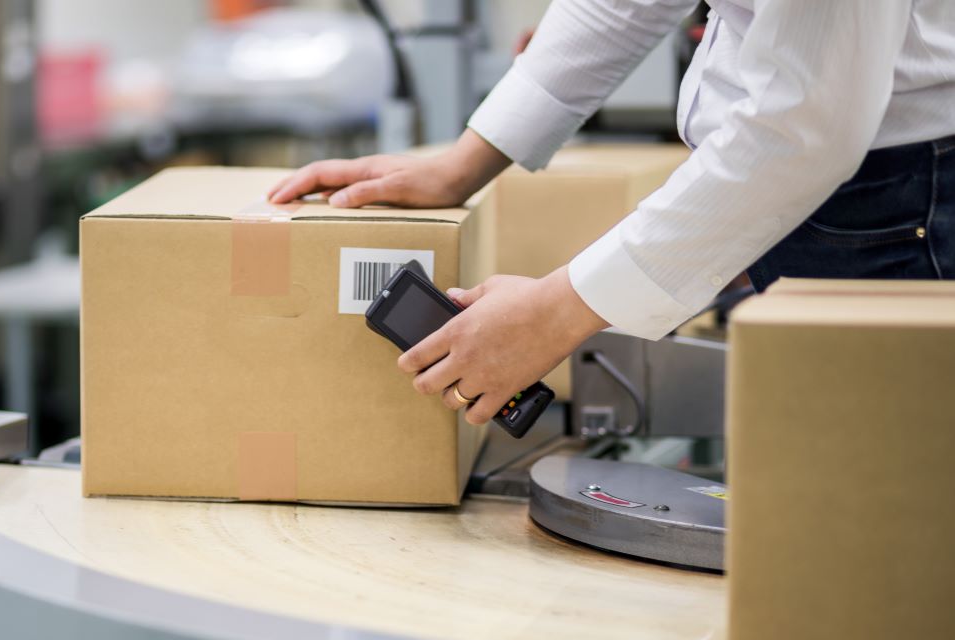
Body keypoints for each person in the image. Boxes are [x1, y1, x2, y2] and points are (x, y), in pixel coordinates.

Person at [268, 0, 955, 427]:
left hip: (900, 205)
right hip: (828, 189)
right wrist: (467, 161)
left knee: (891, 539)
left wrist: (553, 312)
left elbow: (805, 128)